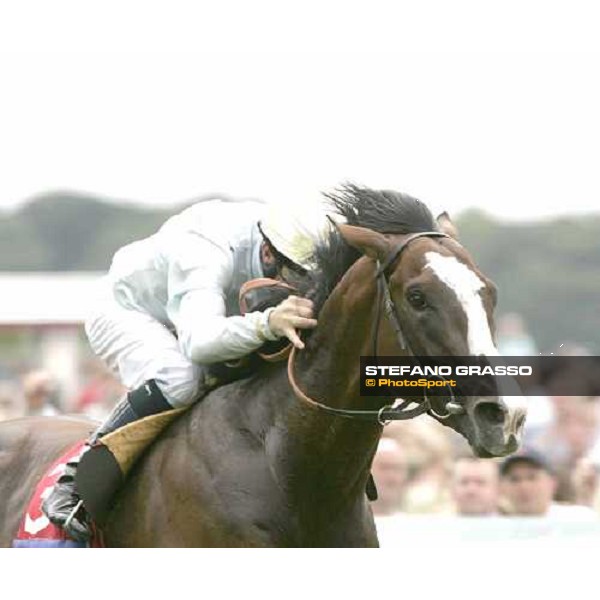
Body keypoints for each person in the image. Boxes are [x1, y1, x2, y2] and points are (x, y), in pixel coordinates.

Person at [42, 196, 331, 541]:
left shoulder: (285, 239)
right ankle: (74, 483)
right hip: (127, 311)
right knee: (179, 379)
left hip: (197, 312)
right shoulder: (205, 251)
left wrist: (403, 379)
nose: (301, 290)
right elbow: (199, 343)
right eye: (296, 278)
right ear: (268, 253)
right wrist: (268, 322)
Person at [499, 450, 597, 519]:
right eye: (514, 479)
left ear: (552, 483)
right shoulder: (493, 528)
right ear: (502, 487)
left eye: (532, 477)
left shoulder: (579, 519)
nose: (524, 486)